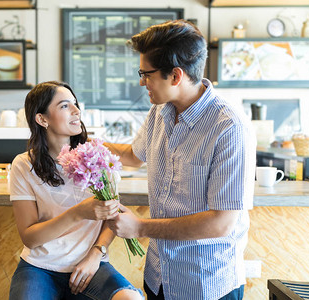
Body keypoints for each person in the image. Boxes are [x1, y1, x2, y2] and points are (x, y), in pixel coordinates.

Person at [105, 20, 256, 300]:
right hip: (158, 276)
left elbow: (221, 222)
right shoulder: (158, 112)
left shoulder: (229, 127)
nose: (141, 82)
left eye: (145, 74)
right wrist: (89, 145)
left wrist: (140, 227)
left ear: (175, 76)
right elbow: (133, 157)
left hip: (204, 283)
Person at [9, 81, 143, 300]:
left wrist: (95, 254)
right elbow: (30, 238)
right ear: (42, 119)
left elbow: (113, 216)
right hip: (39, 267)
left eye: (75, 103)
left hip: (91, 264)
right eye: (64, 106)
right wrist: (79, 212)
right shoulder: (24, 165)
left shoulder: (97, 155)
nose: (76, 110)